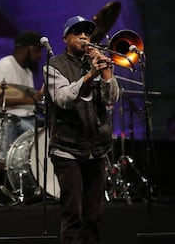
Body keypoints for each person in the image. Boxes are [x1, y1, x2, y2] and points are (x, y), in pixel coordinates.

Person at [42, 16, 120, 244]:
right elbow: (63, 98)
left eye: (87, 33)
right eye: (77, 33)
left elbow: (112, 98)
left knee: (94, 215)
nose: (84, 36)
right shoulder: (53, 66)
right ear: (65, 38)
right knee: (73, 213)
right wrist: (89, 76)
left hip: (97, 149)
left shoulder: (95, 61)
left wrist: (106, 73)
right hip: (67, 150)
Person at [0, 31, 45, 148]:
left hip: (28, 116)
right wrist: (30, 100)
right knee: (38, 138)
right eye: (36, 50)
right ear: (23, 49)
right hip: (13, 118)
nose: (40, 55)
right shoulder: (5, 65)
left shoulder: (28, 71)